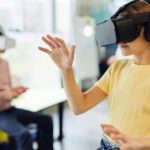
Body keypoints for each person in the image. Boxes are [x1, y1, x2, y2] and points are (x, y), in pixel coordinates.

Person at [39, 0, 150, 149]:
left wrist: (140, 143)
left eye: (129, 28)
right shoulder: (117, 68)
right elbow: (79, 106)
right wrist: (66, 70)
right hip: (107, 145)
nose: (121, 37)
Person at [0, 28, 54, 150]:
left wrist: (15, 91)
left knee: (46, 120)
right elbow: (4, 93)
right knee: (24, 135)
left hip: (10, 109)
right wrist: (5, 95)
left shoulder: (5, 63)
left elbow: (7, 88)